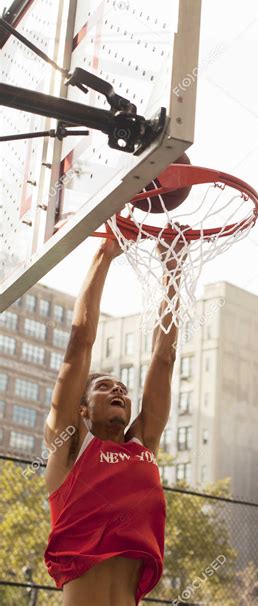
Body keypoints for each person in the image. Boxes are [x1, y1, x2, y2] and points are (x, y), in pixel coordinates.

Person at [43, 235, 181, 606]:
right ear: (82, 408)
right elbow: (80, 345)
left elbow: (163, 358)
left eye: (122, 387)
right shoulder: (70, 443)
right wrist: (105, 255)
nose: (118, 390)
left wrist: (173, 269)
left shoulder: (143, 448)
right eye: (105, 387)